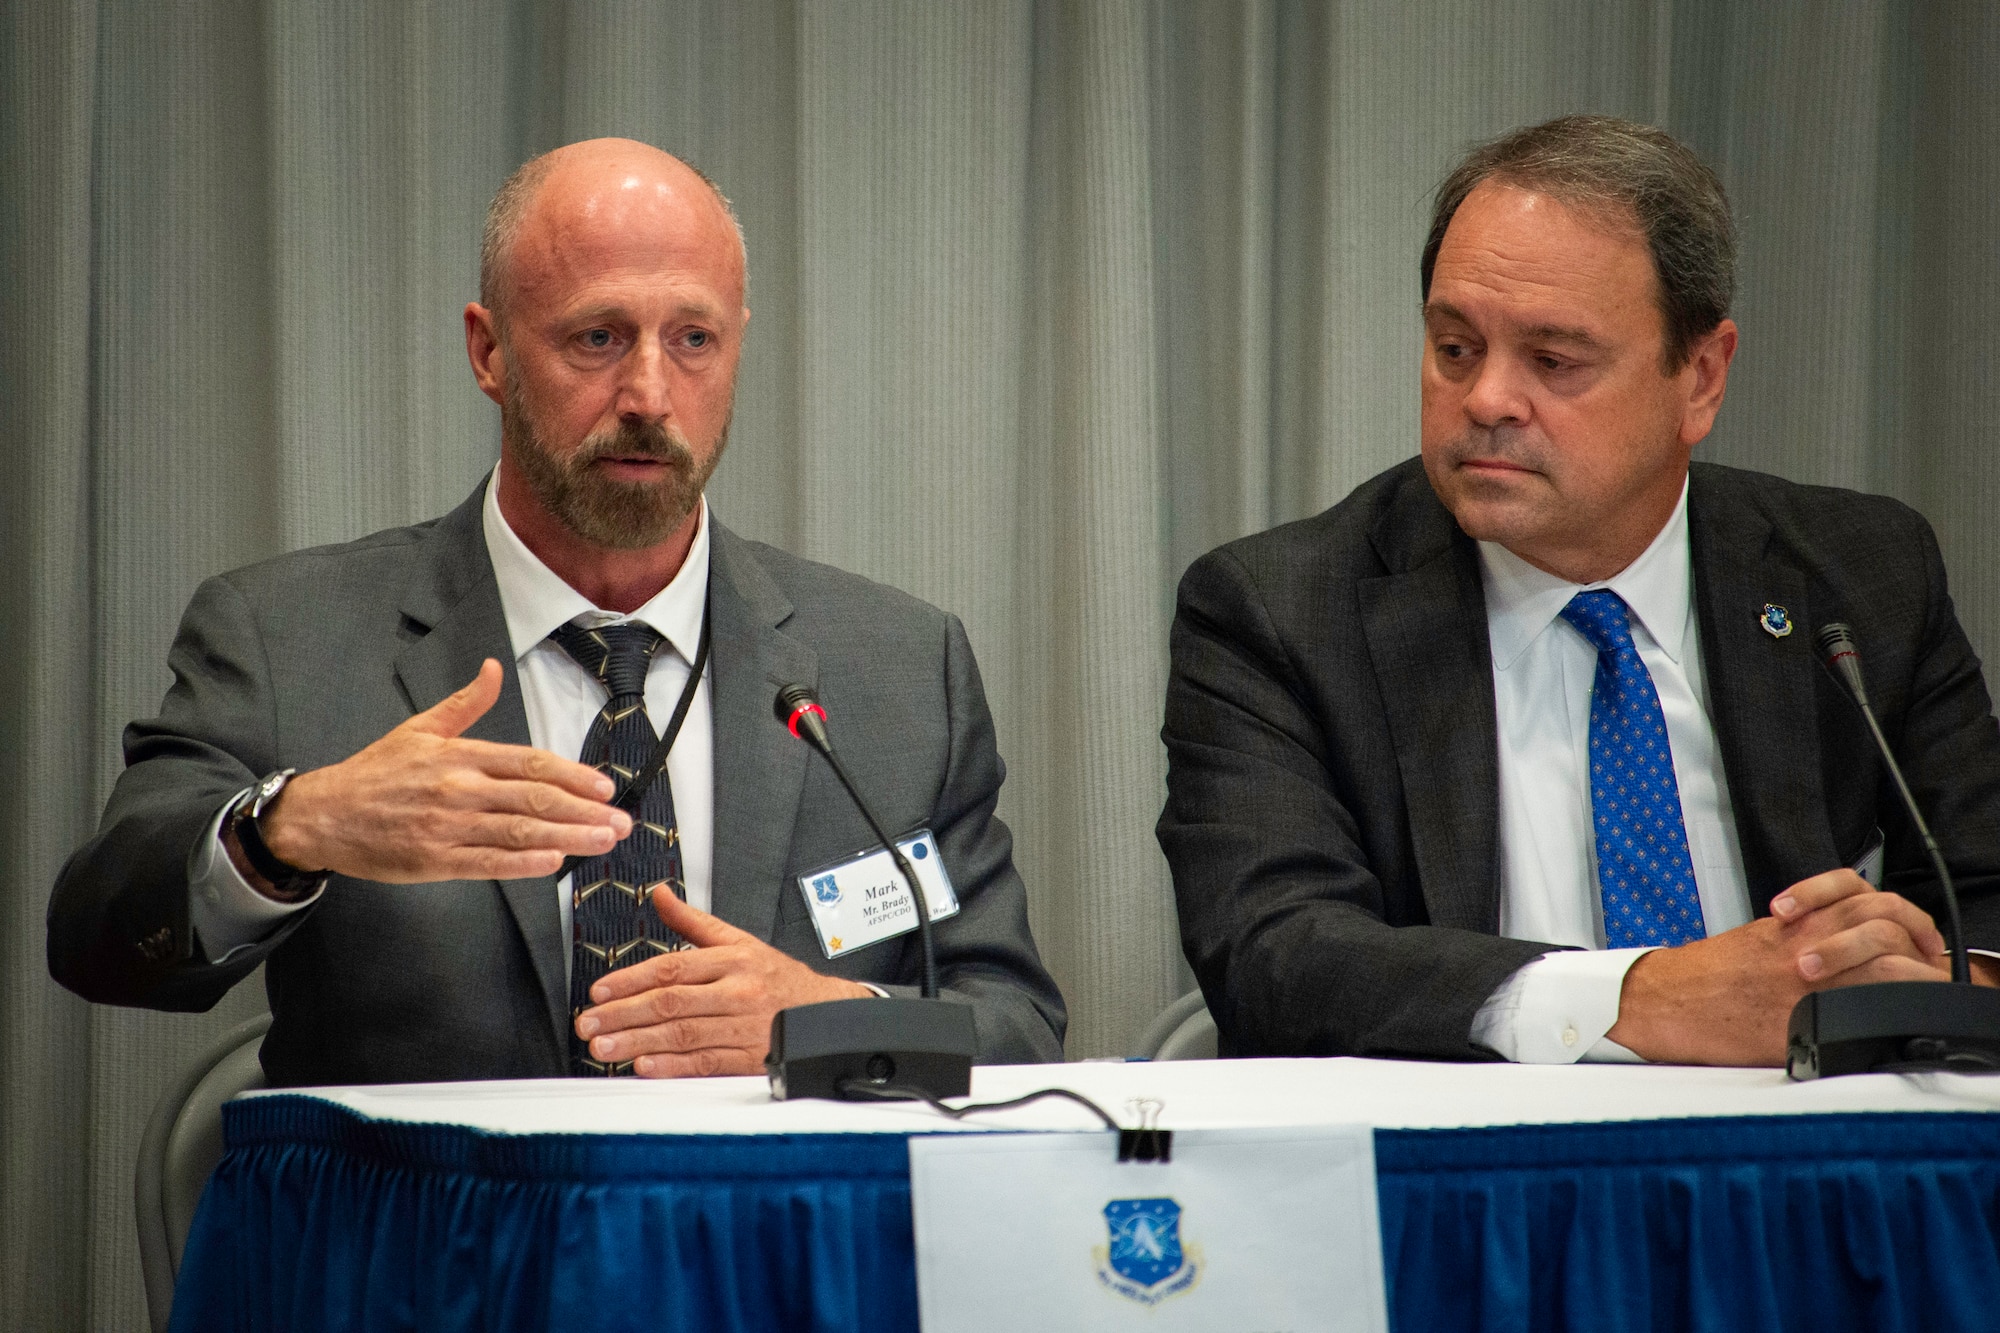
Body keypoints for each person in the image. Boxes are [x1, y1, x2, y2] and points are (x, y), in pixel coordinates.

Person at [47, 139, 1065, 1084]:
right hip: (439, 1260)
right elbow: (98, 943)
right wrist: (290, 827)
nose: (650, 394)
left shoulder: (894, 667)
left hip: (772, 1261)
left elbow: (1014, 1023)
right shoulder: (287, 638)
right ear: (488, 352)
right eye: (597, 337)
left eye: (694, 338)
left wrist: (829, 1019)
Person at [1158, 115, 2000, 1067]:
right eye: (1455, 348)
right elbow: (1277, 958)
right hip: (1473, 1178)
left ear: (1702, 378)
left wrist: (1923, 977)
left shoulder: (1861, 573)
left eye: (1553, 361)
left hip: (1807, 1164)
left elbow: (1983, 888)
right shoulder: (1278, 611)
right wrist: (1638, 999)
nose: (1486, 400)